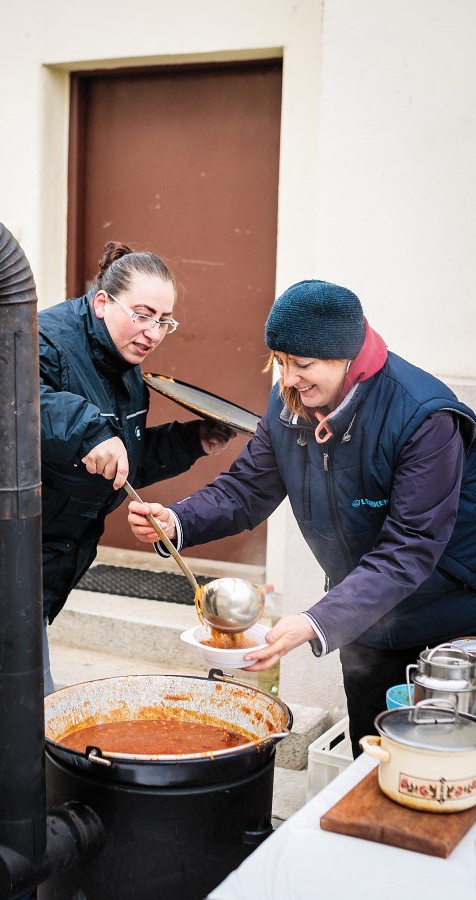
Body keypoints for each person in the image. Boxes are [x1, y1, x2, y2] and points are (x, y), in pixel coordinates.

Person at [0, 241, 234, 868]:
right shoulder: (38, 336)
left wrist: (189, 441)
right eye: (142, 314)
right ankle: (42, 859)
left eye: (165, 320)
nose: (153, 332)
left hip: (24, 562)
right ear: (101, 301)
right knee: (20, 713)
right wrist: (86, 428)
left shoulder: (125, 368)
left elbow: (113, 462)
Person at [128, 279, 476, 758]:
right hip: (366, 623)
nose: (289, 378)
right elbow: (246, 490)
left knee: (444, 768)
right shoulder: (290, 405)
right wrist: (176, 521)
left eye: (303, 364)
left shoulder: (424, 417)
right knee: (371, 759)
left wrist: (314, 621)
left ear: (345, 355)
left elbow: (409, 549)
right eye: (280, 361)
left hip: (449, 625)